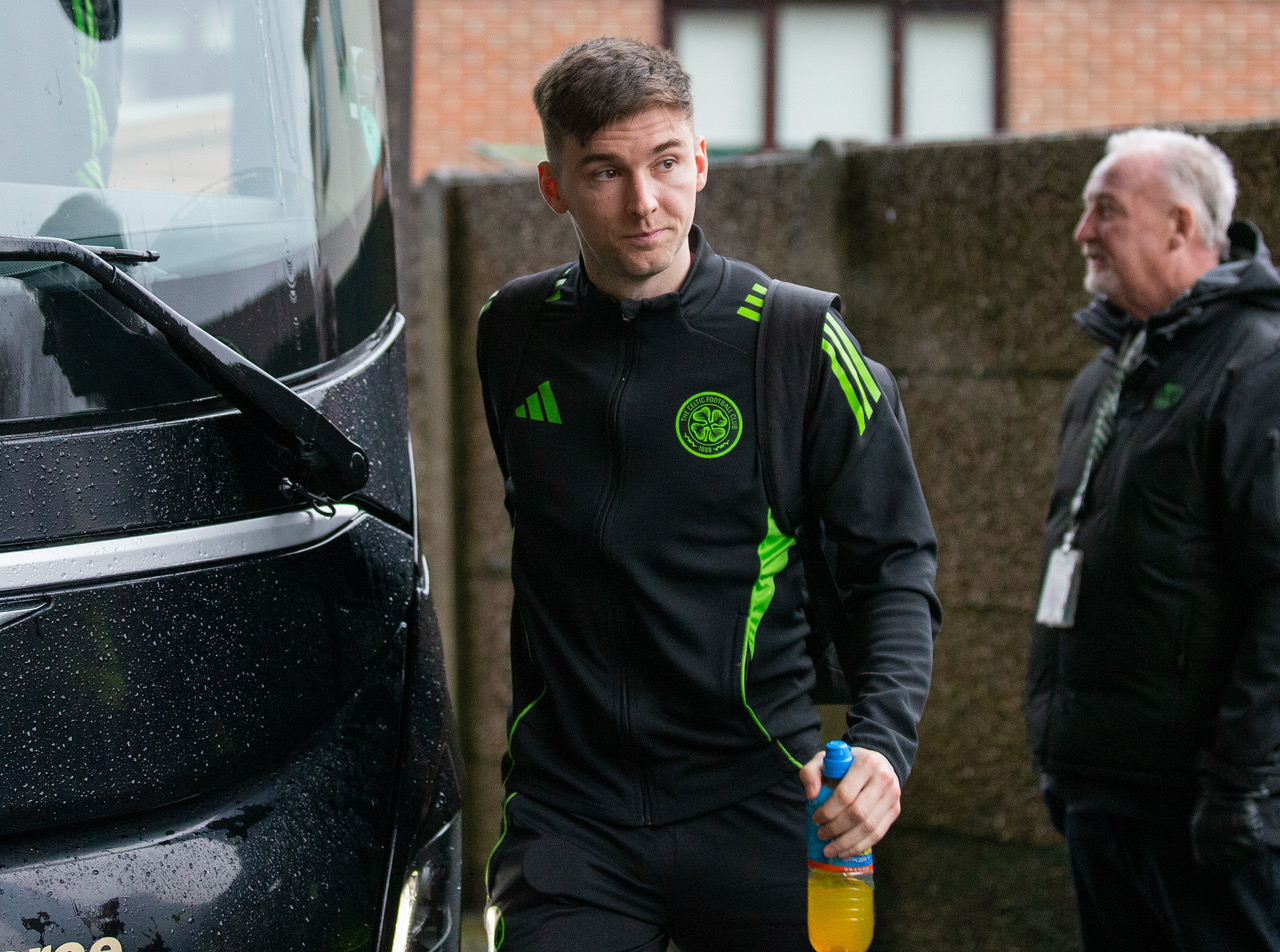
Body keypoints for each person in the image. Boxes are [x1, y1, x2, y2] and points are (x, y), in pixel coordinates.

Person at [477, 37, 940, 951]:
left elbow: (895, 562)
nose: (643, 203)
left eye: (664, 163)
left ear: (699, 161)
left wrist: (884, 743)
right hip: (572, 813)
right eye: (604, 172)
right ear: (554, 187)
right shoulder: (513, 332)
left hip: (763, 795)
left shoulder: (798, 340)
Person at [1026, 127, 1280, 950]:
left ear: (1180, 226)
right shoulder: (1107, 372)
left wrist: (1243, 788)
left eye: (1106, 210)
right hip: (1100, 792)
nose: (1082, 232)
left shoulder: (1257, 367)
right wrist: (1060, 755)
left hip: (1204, 809)